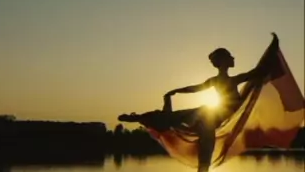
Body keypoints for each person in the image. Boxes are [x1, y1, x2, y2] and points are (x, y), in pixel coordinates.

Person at [118, 34, 280, 172]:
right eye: (230, 56)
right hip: (210, 116)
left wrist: (272, 49)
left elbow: (256, 73)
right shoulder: (226, 80)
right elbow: (196, 88)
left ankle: (140, 117)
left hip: (212, 115)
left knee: (184, 121)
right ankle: (140, 117)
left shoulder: (228, 80)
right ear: (224, 62)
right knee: (197, 137)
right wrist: (177, 91)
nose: (233, 58)